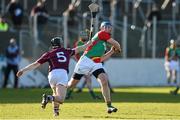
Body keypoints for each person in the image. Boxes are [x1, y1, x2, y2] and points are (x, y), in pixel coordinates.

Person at [16, 36, 116, 116]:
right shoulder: (67, 51)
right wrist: (90, 43)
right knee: (60, 98)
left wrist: (22, 70)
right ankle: (48, 98)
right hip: (62, 74)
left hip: (51, 75)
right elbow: (82, 48)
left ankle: (56, 112)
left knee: (56, 93)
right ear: (61, 44)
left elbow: (35, 64)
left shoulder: (48, 53)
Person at [67, 21, 121, 114]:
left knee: (104, 81)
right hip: (85, 61)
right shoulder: (101, 34)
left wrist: (112, 51)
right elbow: (116, 44)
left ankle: (109, 105)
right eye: (106, 26)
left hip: (96, 63)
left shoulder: (103, 44)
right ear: (101, 28)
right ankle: (56, 92)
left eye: (110, 27)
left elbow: (101, 59)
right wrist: (118, 49)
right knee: (71, 84)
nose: (109, 28)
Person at [66, 30, 101, 100]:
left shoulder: (90, 43)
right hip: (81, 65)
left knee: (77, 81)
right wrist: (79, 61)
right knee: (78, 81)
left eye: (85, 34)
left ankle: (67, 94)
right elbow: (75, 54)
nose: (84, 36)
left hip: (86, 64)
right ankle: (93, 96)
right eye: (82, 34)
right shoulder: (78, 43)